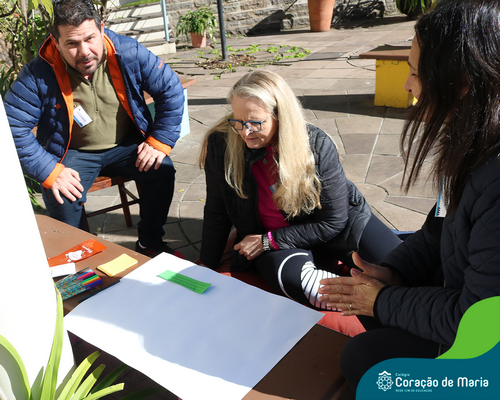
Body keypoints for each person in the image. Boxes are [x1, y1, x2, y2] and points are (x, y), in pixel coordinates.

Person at [318, 0, 500, 391]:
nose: (407, 84)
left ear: (464, 81)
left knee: (366, 361)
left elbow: (480, 321)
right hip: (458, 297)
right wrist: (393, 273)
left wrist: (382, 300)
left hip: (488, 342)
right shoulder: (469, 144)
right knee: (365, 299)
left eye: (416, 72)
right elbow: (436, 232)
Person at [198, 70, 401, 310]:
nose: (245, 132)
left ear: (280, 116)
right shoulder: (220, 144)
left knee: (402, 266)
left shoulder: (317, 144)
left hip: (333, 226)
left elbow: (333, 220)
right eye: (238, 121)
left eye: (255, 123)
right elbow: (217, 211)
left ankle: (393, 287)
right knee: (298, 282)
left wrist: (269, 241)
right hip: (271, 239)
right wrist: (206, 265)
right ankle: (376, 302)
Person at [4, 0, 184, 257]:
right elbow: (11, 127)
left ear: (101, 29)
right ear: (56, 42)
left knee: (162, 169)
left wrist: (159, 140)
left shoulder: (128, 52)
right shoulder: (38, 73)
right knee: (60, 194)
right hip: (74, 151)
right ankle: (78, 258)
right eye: (72, 43)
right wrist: (49, 170)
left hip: (126, 145)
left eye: (90, 38)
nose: (84, 52)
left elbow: (170, 89)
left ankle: (150, 242)